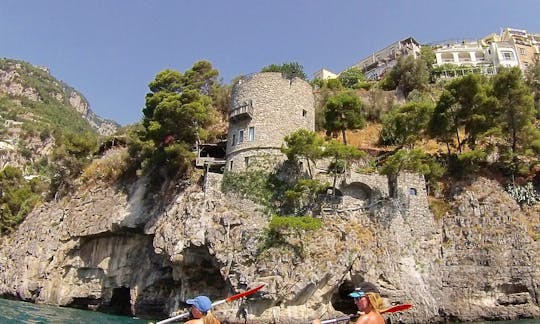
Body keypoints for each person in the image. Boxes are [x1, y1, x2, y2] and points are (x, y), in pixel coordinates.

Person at [312, 281, 385, 324]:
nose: (356, 302)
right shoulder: (380, 317)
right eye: (355, 299)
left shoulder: (365, 319)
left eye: (359, 298)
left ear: (370, 298)